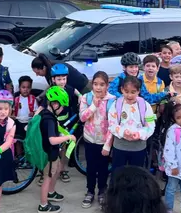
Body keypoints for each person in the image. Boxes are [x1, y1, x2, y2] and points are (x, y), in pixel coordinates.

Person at [79, 71, 115, 208]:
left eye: (102, 84)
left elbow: (113, 124)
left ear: (107, 86)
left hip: (104, 141)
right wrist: (94, 105)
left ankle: (102, 191)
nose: (98, 88)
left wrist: (108, 144)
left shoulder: (112, 100)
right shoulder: (86, 98)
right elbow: (83, 117)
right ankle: (90, 191)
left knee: (103, 168)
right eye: (95, 84)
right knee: (91, 167)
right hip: (89, 139)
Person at [38, 86, 76, 213]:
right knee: (47, 177)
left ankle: (51, 192)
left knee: (56, 170)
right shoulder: (49, 119)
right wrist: (68, 137)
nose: (62, 110)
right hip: (49, 153)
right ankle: (43, 205)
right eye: (62, 107)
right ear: (54, 104)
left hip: (52, 153)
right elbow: (51, 140)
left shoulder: (47, 114)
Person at [108, 76, 155, 172]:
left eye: (133, 92)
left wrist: (139, 134)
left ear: (138, 91)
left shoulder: (145, 106)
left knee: (136, 174)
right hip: (120, 147)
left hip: (138, 148)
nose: (129, 95)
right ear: (121, 90)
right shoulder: (116, 104)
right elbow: (112, 124)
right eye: (126, 91)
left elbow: (150, 125)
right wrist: (123, 132)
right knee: (118, 174)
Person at [50, 63, 82, 183]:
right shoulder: (50, 92)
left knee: (63, 148)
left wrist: (79, 96)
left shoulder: (68, 88)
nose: (62, 81)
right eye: (59, 79)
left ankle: (62, 170)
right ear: (53, 79)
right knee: (50, 149)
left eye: (64, 78)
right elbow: (43, 107)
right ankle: (46, 172)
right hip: (53, 124)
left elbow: (75, 91)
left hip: (66, 124)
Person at [13, 76, 38, 155]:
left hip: (29, 123)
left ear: (31, 88)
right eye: (23, 87)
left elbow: (37, 111)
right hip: (18, 122)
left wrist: (33, 113)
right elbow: (12, 111)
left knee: (29, 141)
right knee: (18, 140)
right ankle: (19, 156)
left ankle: (28, 157)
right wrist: (13, 116)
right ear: (19, 88)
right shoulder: (16, 99)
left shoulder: (33, 99)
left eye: (28, 87)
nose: (26, 89)